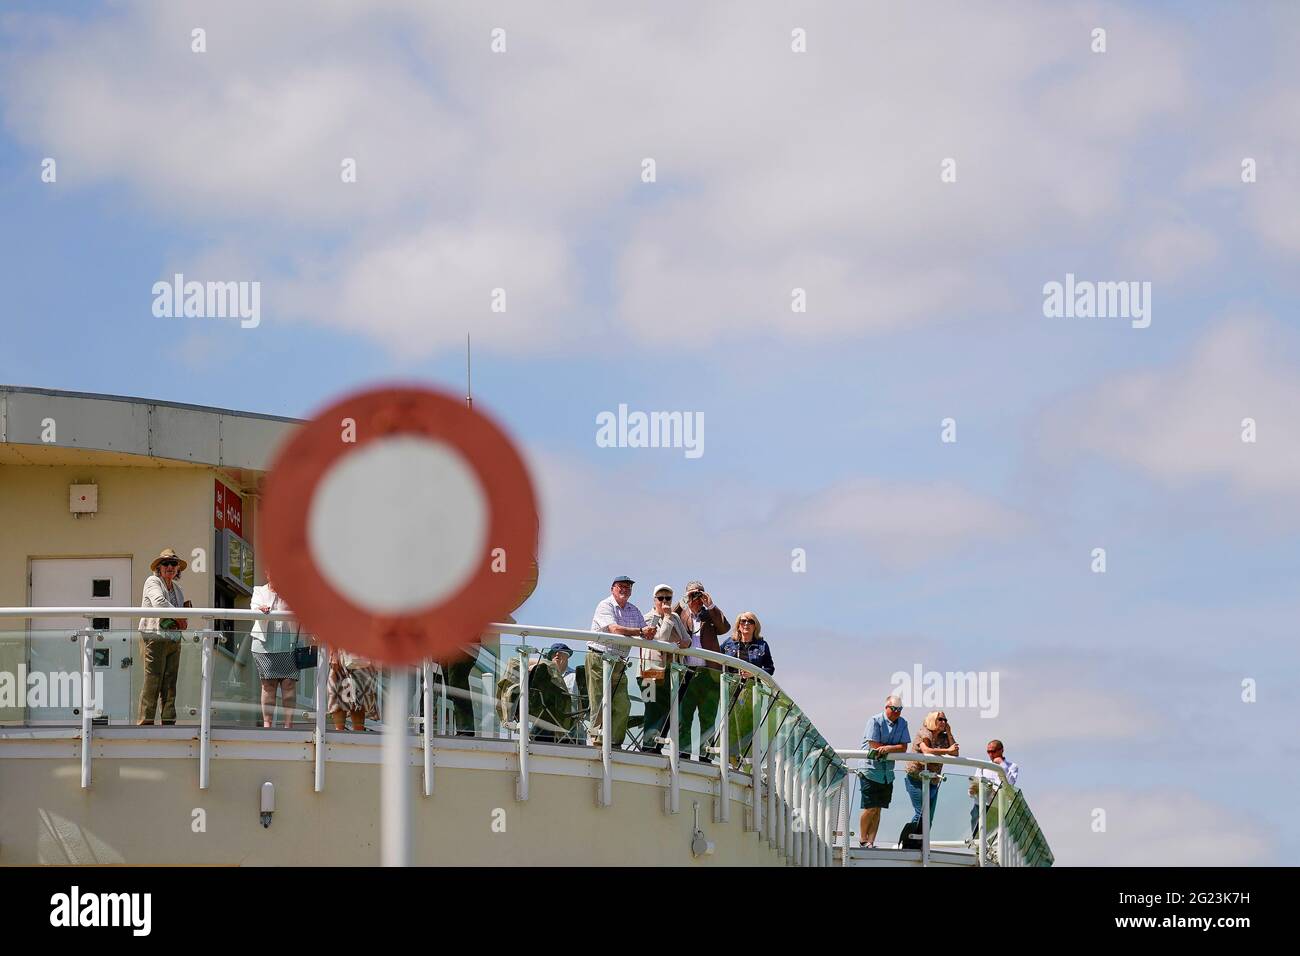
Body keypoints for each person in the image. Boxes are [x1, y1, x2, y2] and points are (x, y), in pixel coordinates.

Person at [588, 575, 656, 749]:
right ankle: (597, 741)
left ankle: (614, 743)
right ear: (612, 589)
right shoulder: (605, 605)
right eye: (621, 586)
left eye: (628, 587)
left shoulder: (634, 610)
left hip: (619, 662)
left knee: (623, 704)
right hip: (599, 658)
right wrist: (641, 631)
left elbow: (645, 634)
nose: (625, 590)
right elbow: (615, 630)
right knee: (599, 701)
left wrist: (648, 632)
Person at [673, 580, 730, 762]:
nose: (696, 598)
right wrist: (683, 602)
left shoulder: (710, 615)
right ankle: (684, 754)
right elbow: (667, 619)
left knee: (708, 718)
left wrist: (710, 605)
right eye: (692, 594)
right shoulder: (680, 615)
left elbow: (725, 628)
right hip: (686, 673)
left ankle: (705, 756)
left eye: (699, 594)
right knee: (684, 717)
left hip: (709, 674)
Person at [137, 549, 191, 725]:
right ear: (159, 568)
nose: (170, 567)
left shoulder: (178, 588)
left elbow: (180, 613)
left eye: (173, 564)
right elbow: (159, 603)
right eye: (166, 563)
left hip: (173, 638)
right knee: (153, 679)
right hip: (154, 636)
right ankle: (145, 723)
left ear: (178, 569)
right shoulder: (152, 581)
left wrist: (183, 621)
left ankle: (168, 723)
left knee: (170, 682)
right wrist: (180, 617)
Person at [639, 585, 692, 753]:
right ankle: (649, 746)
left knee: (670, 710)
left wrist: (684, 643)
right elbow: (660, 639)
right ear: (654, 600)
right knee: (653, 708)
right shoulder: (648, 618)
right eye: (660, 598)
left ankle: (658, 745)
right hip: (650, 669)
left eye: (668, 598)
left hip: (674, 670)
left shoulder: (675, 617)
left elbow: (687, 639)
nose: (664, 602)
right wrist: (667, 617)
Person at [720, 611, 774, 766]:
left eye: (750, 621)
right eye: (743, 621)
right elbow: (717, 661)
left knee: (748, 725)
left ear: (755, 626)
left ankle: (748, 761)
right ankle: (731, 758)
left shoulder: (762, 645)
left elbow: (770, 669)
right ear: (738, 624)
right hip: (731, 688)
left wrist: (754, 674)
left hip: (752, 690)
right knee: (730, 721)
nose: (746, 624)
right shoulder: (729, 643)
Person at [858, 695, 910, 848]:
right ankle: (863, 839)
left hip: (887, 772)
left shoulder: (903, 723)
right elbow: (874, 745)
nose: (897, 712)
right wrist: (891, 748)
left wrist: (887, 748)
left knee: (878, 808)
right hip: (870, 769)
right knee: (870, 807)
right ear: (886, 707)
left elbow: (903, 747)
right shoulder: (874, 720)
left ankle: (871, 842)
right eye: (894, 709)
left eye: (899, 709)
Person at [249, 575, 298, 729]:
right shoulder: (259, 590)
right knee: (268, 685)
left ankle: (288, 724)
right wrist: (260, 609)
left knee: (289, 684)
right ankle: (267, 724)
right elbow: (253, 608)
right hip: (264, 645)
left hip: (289, 645)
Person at [905, 711, 958, 828]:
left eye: (945, 720)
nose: (943, 722)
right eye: (940, 719)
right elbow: (926, 750)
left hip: (933, 781)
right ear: (932, 720)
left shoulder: (943, 737)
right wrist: (947, 750)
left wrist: (949, 733)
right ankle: (909, 841)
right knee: (921, 814)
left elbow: (955, 752)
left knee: (928, 817)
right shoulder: (924, 732)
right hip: (916, 779)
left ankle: (921, 844)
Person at [969, 739, 1020, 838]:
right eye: (988, 751)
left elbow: (1009, 783)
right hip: (979, 805)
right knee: (976, 837)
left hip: (997, 806)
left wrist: (1002, 764)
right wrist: (972, 790)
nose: (991, 754)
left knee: (992, 837)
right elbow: (974, 783)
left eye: (993, 751)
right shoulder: (982, 766)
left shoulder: (1012, 766)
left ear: (1001, 750)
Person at [328, 647, 380, 731]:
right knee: (338, 696)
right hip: (342, 651)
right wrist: (334, 653)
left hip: (364, 653)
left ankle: (358, 735)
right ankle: (339, 733)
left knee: (360, 699)